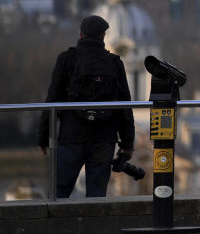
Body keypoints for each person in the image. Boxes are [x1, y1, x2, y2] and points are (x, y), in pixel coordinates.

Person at [37, 15, 135, 198]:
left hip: (71, 135)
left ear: (80, 34)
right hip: (104, 138)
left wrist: (44, 137)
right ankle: (95, 227)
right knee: (96, 196)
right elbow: (125, 106)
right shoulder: (115, 63)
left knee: (59, 194)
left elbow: (52, 100)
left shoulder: (66, 59)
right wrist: (127, 144)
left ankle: (58, 227)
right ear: (103, 36)